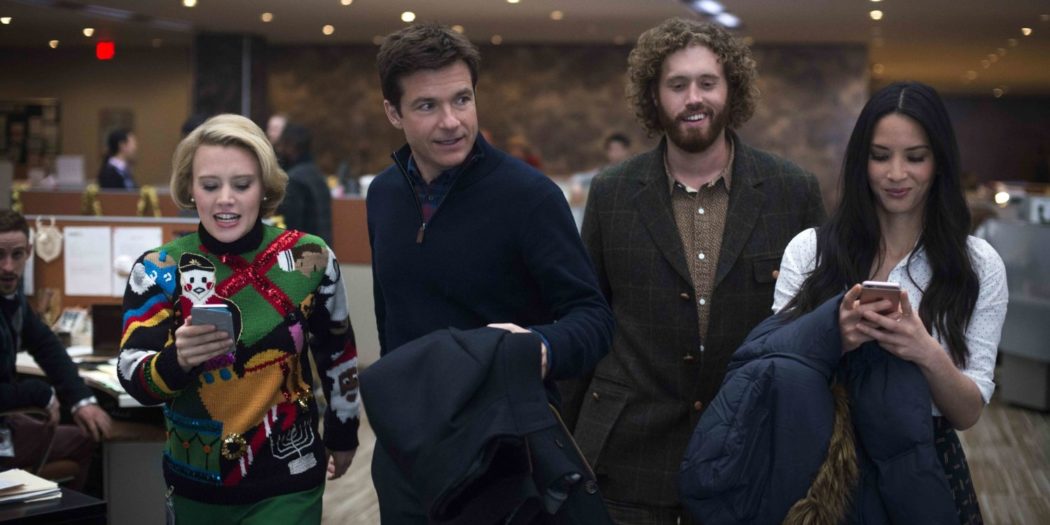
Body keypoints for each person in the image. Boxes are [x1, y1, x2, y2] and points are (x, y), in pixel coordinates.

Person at [568, 17, 826, 523]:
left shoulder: (792, 191)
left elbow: (817, 323)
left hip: (752, 448)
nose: (694, 99)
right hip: (629, 453)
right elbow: (586, 316)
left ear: (732, 89)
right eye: (677, 85)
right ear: (654, 95)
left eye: (708, 83)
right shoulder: (612, 192)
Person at [367, 23, 614, 523]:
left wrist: (538, 347)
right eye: (427, 105)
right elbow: (388, 315)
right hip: (409, 454)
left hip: (504, 455)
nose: (451, 122)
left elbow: (594, 319)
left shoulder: (529, 197)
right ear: (393, 113)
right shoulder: (384, 195)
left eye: (462, 99)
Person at [773, 81, 1007, 522]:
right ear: (861, 161)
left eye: (915, 157)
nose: (896, 174)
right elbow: (776, 374)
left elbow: (966, 412)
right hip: (821, 465)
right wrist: (833, 336)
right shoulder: (810, 251)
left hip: (925, 463)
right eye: (880, 156)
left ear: (939, 162)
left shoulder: (978, 265)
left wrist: (924, 350)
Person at [116, 114, 359, 523]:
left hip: (288, 478)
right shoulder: (158, 269)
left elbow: (338, 351)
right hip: (195, 481)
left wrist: (344, 431)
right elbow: (131, 374)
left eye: (242, 185)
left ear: (264, 188)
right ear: (190, 189)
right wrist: (178, 360)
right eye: (210, 185)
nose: (225, 199)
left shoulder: (309, 258)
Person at [0, 210, 112, 490]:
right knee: (83, 440)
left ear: (28, 252)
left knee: (81, 423)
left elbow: (45, 345)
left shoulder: (11, 297)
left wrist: (82, 400)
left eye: (16, 255)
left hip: (6, 420)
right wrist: (41, 393)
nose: (8, 267)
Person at [275, 123, 333, 246]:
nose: (280, 149)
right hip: (322, 247)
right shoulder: (316, 174)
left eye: (283, 144)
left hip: (304, 251)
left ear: (291, 146)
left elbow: (293, 226)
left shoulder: (294, 179)